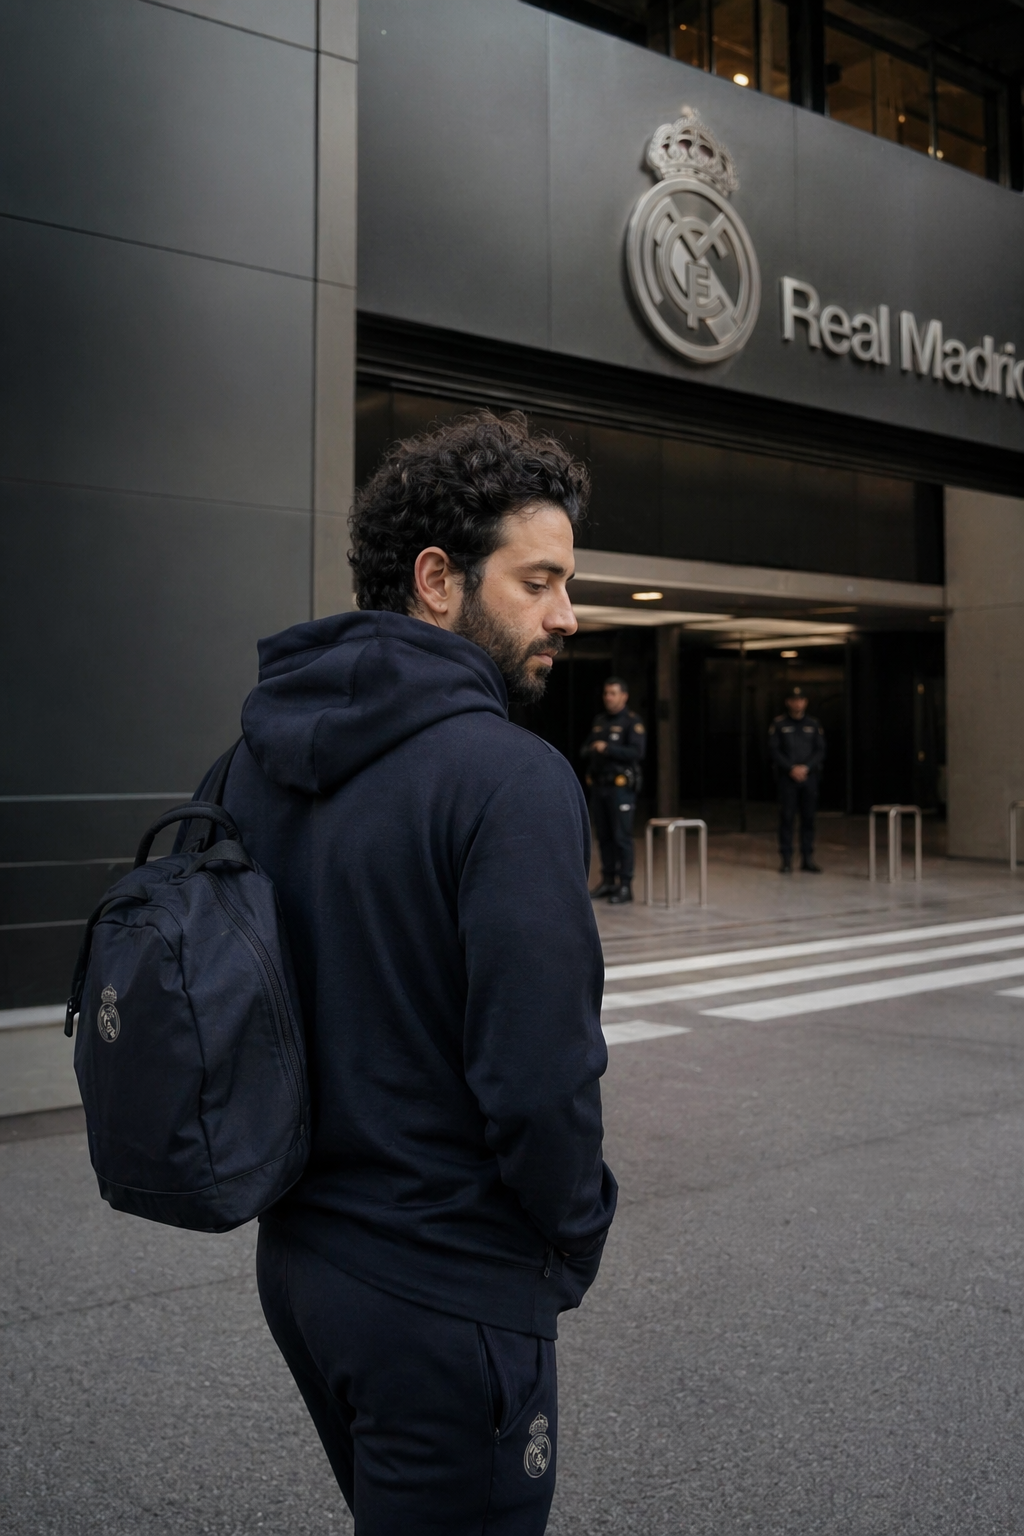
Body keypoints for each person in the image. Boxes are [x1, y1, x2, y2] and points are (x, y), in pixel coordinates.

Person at [190, 412, 616, 1535]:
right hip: (448, 1290)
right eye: (540, 582)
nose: (568, 614)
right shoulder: (511, 779)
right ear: (438, 580)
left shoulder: (245, 761)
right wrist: (570, 1239)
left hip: (299, 1267)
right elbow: (541, 1077)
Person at [581, 677, 646, 904]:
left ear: (624, 696)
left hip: (621, 788)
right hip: (600, 787)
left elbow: (637, 753)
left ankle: (625, 885)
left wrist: (608, 748)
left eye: (613, 693)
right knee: (604, 837)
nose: (608, 697)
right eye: (606, 693)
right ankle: (608, 881)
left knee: (622, 837)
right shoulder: (600, 721)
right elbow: (586, 747)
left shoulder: (631, 722)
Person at [769, 685, 826, 874]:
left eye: (801, 700)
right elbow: (774, 751)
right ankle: (786, 859)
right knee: (786, 818)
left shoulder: (813, 724)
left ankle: (807, 858)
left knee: (808, 818)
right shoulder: (779, 724)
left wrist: (806, 768)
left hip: (809, 778)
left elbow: (820, 750)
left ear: (805, 702)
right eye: (794, 700)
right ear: (788, 702)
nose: (797, 703)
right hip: (787, 778)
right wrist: (791, 768)